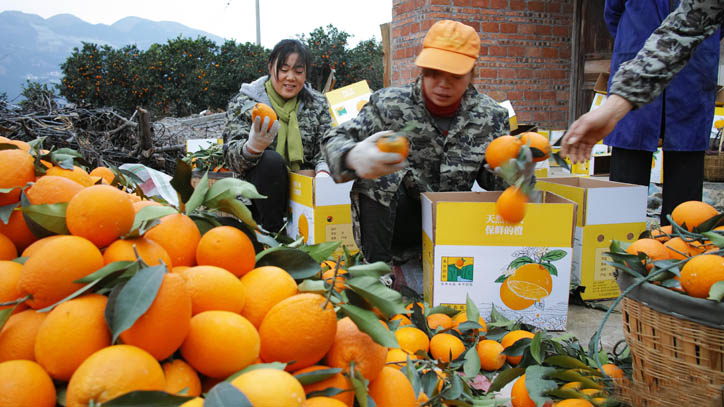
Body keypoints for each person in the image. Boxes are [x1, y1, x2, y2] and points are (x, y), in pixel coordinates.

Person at [322, 20, 509, 290]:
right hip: (400, 224)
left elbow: (497, 184)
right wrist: (352, 156)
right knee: (382, 172)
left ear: (472, 74)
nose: (443, 84)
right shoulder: (389, 105)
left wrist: (512, 172)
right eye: (434, 73)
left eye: (455, 76)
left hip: (454, 226)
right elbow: (333, 138)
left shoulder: (491, 117)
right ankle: (378, 272)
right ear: (421, 68)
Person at [590, 0, 721, 225]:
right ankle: (623, 241)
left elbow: (711, 16)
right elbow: (613, 12)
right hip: (638, 56)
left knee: (686, 160)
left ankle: (678, 246)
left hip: (692, 70)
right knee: (629, 163)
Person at [562, 0, 724, 159]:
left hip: (694, 76)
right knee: (630, 159)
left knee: (686, 149)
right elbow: (687, 29)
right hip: (643, 57)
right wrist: (614, 108)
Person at [223, 39, 333, 233]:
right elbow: (231, 157)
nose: (290, 77)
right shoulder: (246, 103)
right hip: (258, 198)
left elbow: (326, 145)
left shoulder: (317, 104)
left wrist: (323, 171)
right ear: (270, 67)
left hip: (304, 195)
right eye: (284, 69)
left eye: (298, 72)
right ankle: (273, 234)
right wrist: (252, 148)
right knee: (270, 160)